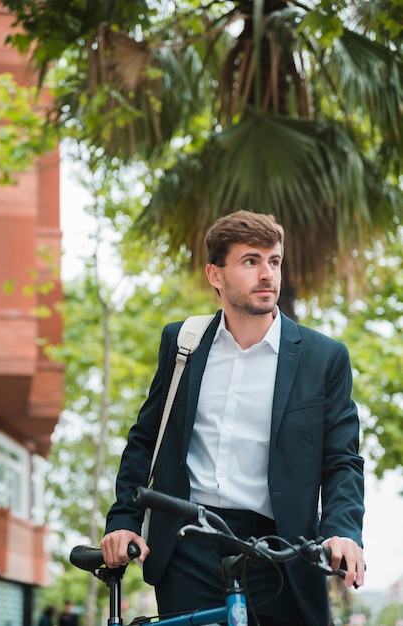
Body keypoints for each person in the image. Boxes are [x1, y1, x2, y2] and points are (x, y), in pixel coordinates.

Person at [101, 210, 365, 626]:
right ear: (215, 274)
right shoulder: (182, 343)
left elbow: (342, 461)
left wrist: (343, 530)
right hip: (189, 543)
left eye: (273, 261)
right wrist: (123, 520)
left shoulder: (323, 357)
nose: (267, 274)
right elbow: (146, 437)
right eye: (250, 261)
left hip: (280, 549)